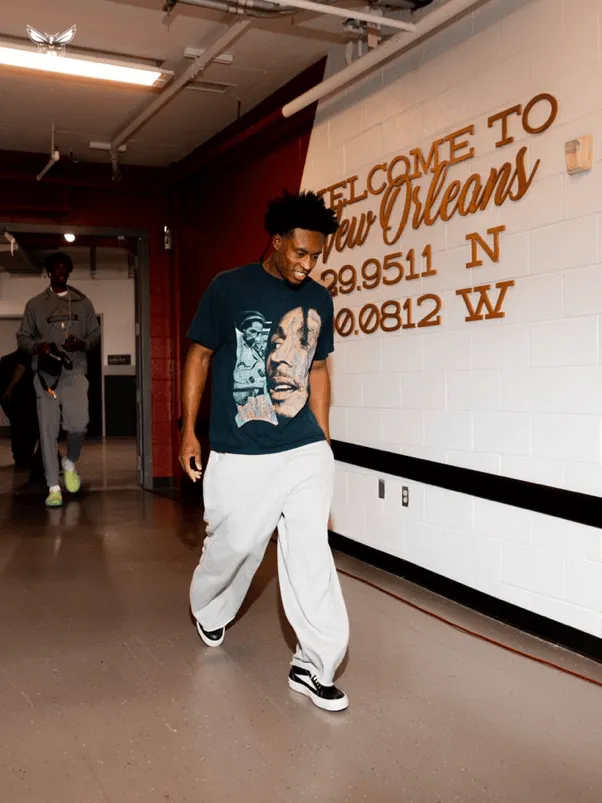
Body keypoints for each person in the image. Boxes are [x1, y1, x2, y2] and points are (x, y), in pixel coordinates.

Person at [180, 191, 350, 712]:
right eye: (299, 252)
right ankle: (208, 608)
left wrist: (321, 436)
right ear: (276, 242)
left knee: (309, 552)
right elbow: (199, 356)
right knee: (235, 546)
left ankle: (315, 662)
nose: (307, 264)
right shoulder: (228, 288)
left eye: (315, 255)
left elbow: (317, 369)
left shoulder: (319, 298)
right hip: (240, 449)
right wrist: (190, 430)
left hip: (302, 448)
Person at [18, 252, 100, 507]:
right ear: (50, 272)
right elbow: (23, 338)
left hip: (75, 372)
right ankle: (53, 486)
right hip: (46, 376)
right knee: (48, 431)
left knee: (79, 425)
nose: (61, 271)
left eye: (65, 267)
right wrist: (38, 347)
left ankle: (70, 462)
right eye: (56, 268)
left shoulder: (83, 302)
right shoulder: (35, 305)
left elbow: (95, 334)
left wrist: (82, 343)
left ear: (69, 271)